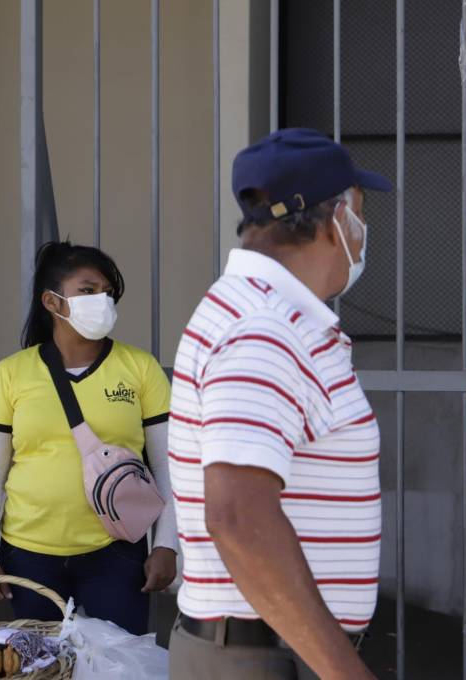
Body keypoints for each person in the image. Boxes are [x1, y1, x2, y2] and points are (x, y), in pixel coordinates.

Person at [167, 128, 388, 680]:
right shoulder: (263, 330)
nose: (363, 232)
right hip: (262, 657)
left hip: (276, 650)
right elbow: (239, 517)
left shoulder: (268, 317)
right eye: (360, 211)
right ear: (334, 219)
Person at [0, 241, 177, 634]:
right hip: (28, 555)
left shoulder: (141, 368)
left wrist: (166, 545)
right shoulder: (10, 374)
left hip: (118, 554)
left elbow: (170, 465)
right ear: (52, 303)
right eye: (88, 290)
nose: (101, 300)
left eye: (107, 292)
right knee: (41, 668)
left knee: (121, 666)